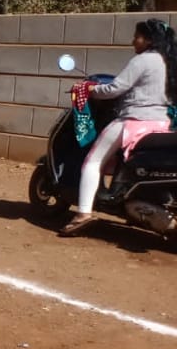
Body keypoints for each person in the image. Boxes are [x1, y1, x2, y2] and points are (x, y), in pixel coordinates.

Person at [60, 18, 177, 236]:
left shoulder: (144, 60)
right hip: (162, 124)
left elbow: (116, 88)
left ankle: (83, 213)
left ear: (149, 39)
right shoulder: (170, 62)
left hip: (134, 121)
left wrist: (88, 90)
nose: (134, 41)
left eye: (137, 36)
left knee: (93, 161)